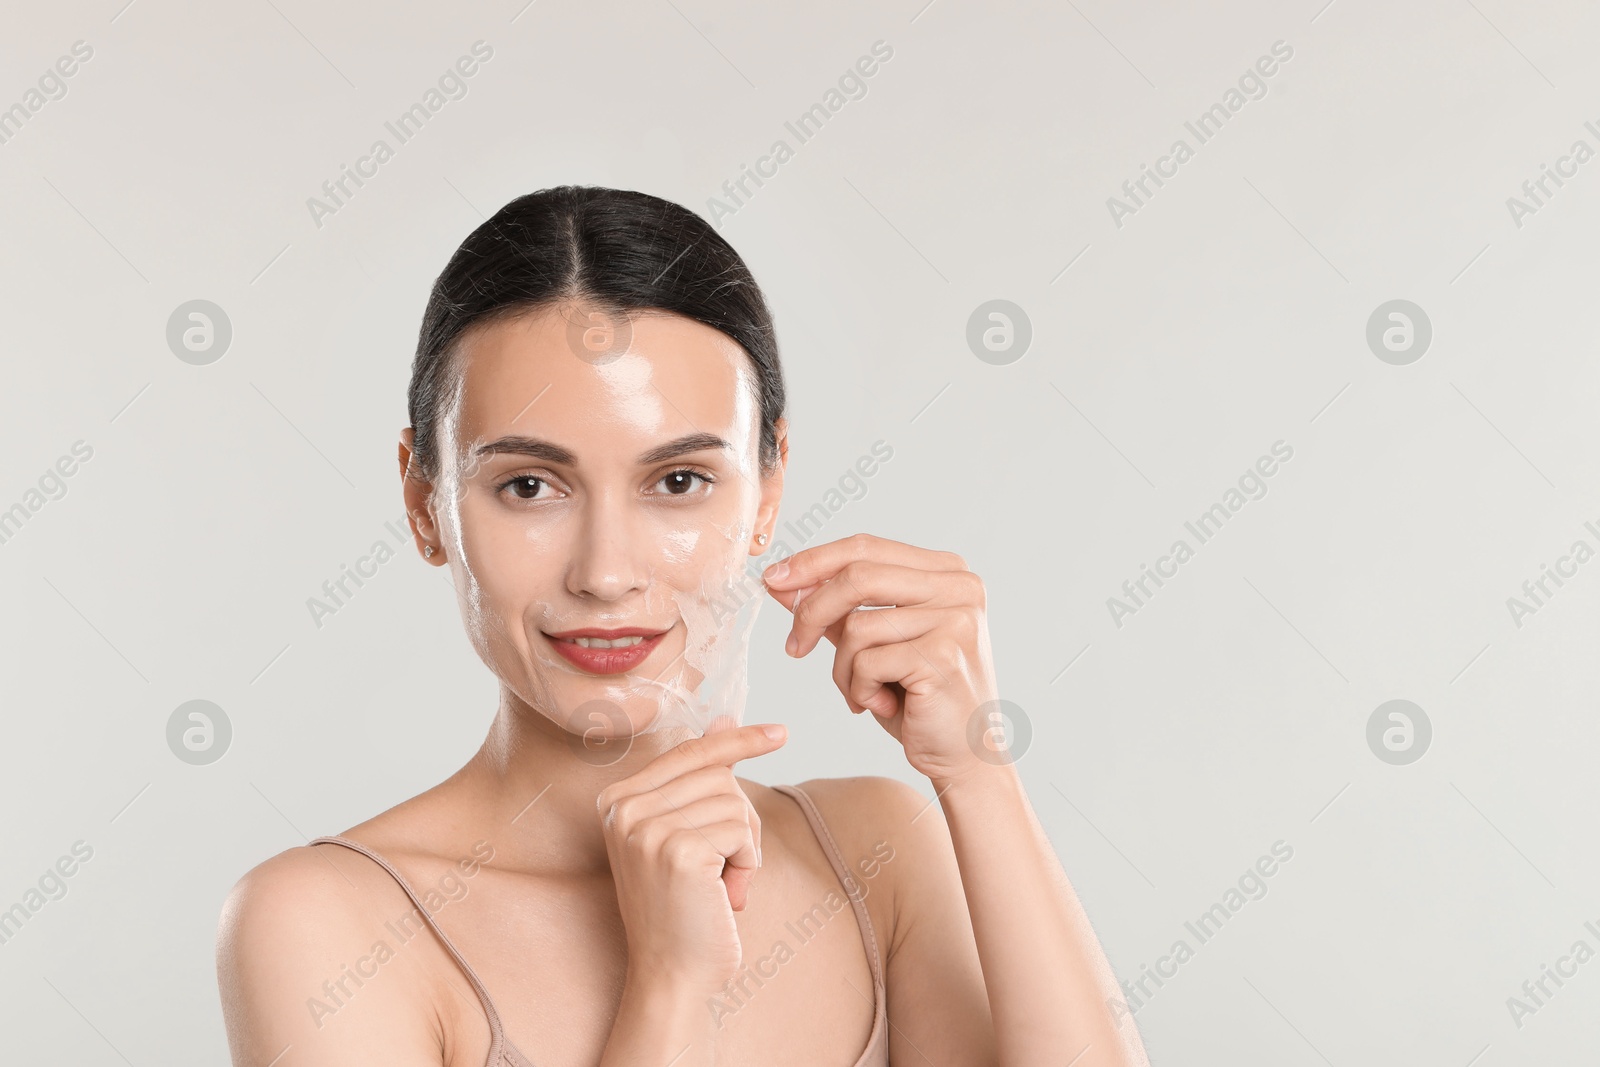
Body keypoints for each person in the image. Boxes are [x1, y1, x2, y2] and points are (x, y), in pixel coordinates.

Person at [215, 185, 1151, 1067]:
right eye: (529, 486)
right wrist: (669, 986)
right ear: (424, 501)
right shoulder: (324, 924)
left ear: (767, 490)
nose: (607, 573)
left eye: (678, 482)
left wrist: (977, 777)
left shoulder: (880, 853)